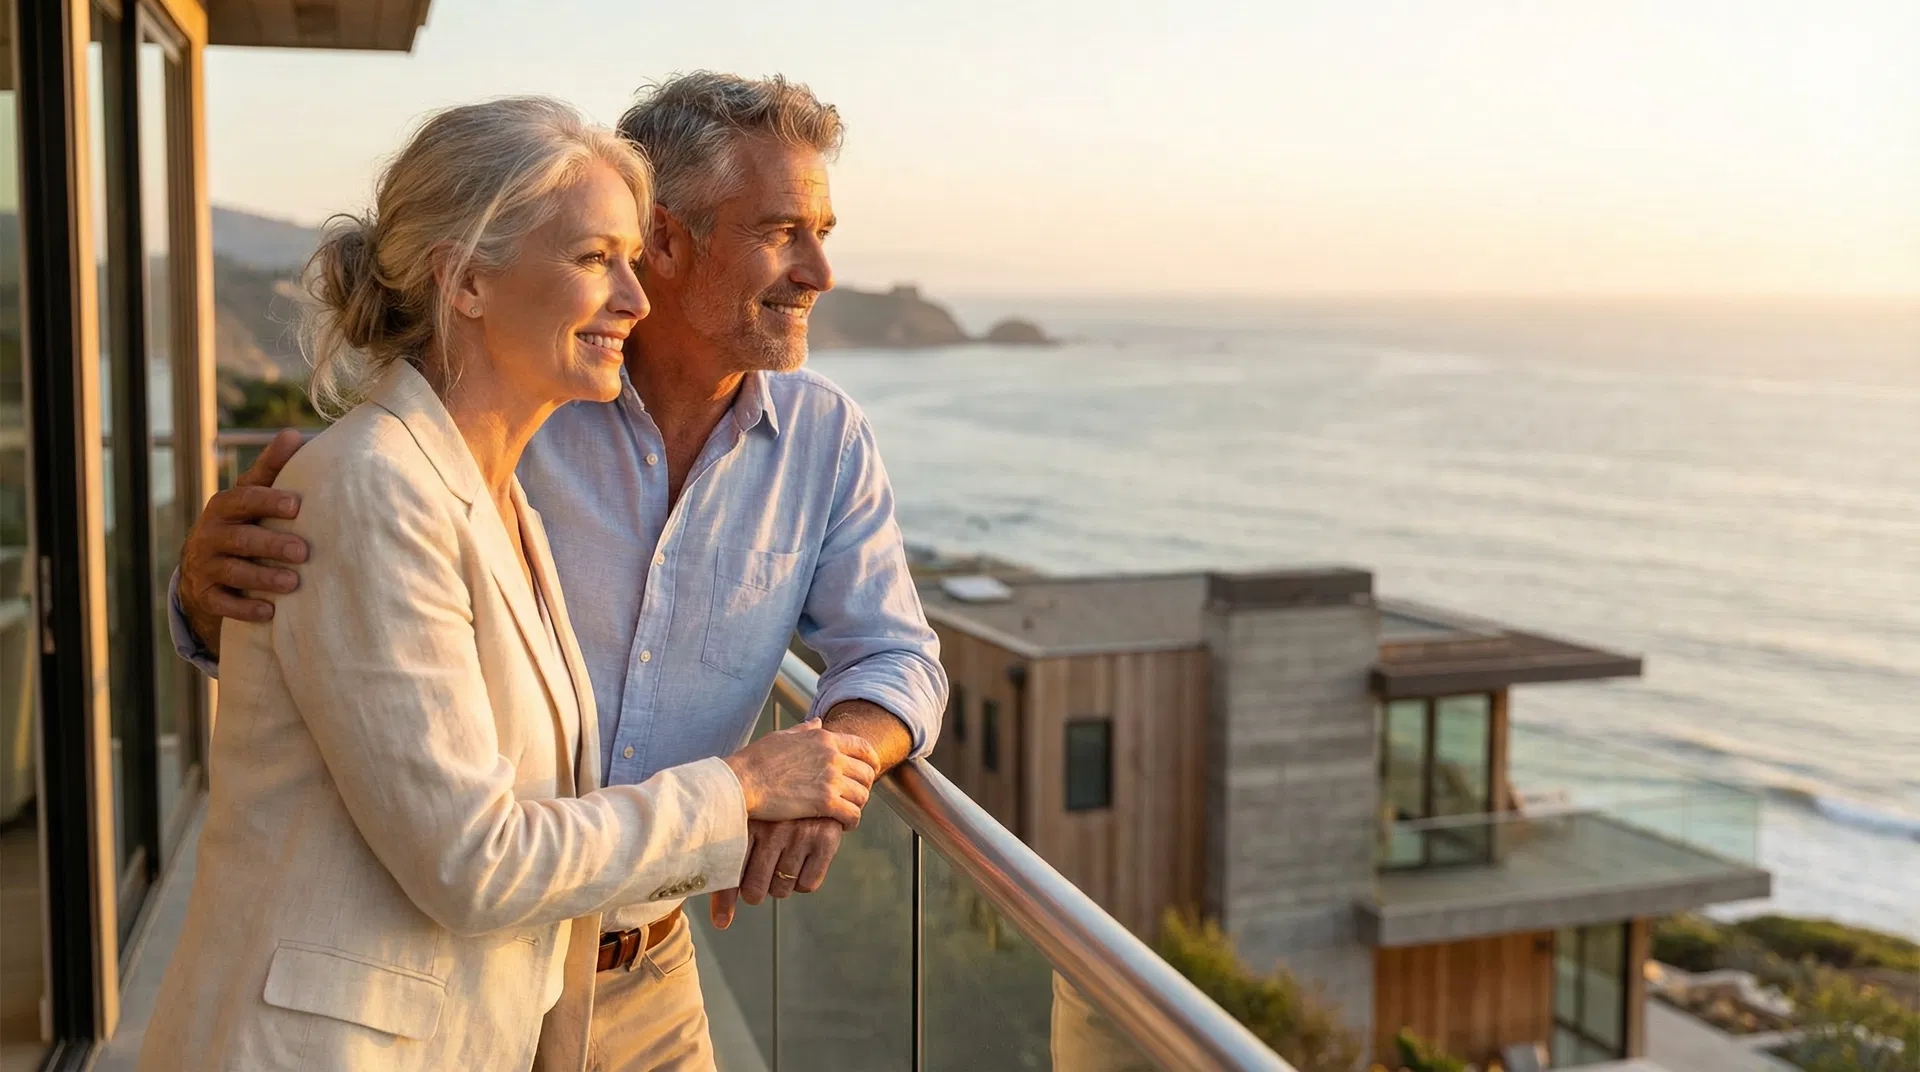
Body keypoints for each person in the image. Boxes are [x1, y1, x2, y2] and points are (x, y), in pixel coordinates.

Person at [174, 73, 948, 1070]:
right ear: (667, 239)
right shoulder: (450, 444)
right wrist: (747, 786)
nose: (820, 273)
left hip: (628, 958)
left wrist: (826, 772)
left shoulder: (808, 442)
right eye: (782, 230)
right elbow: (459, 839)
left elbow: (896, 654)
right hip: (430, 972)